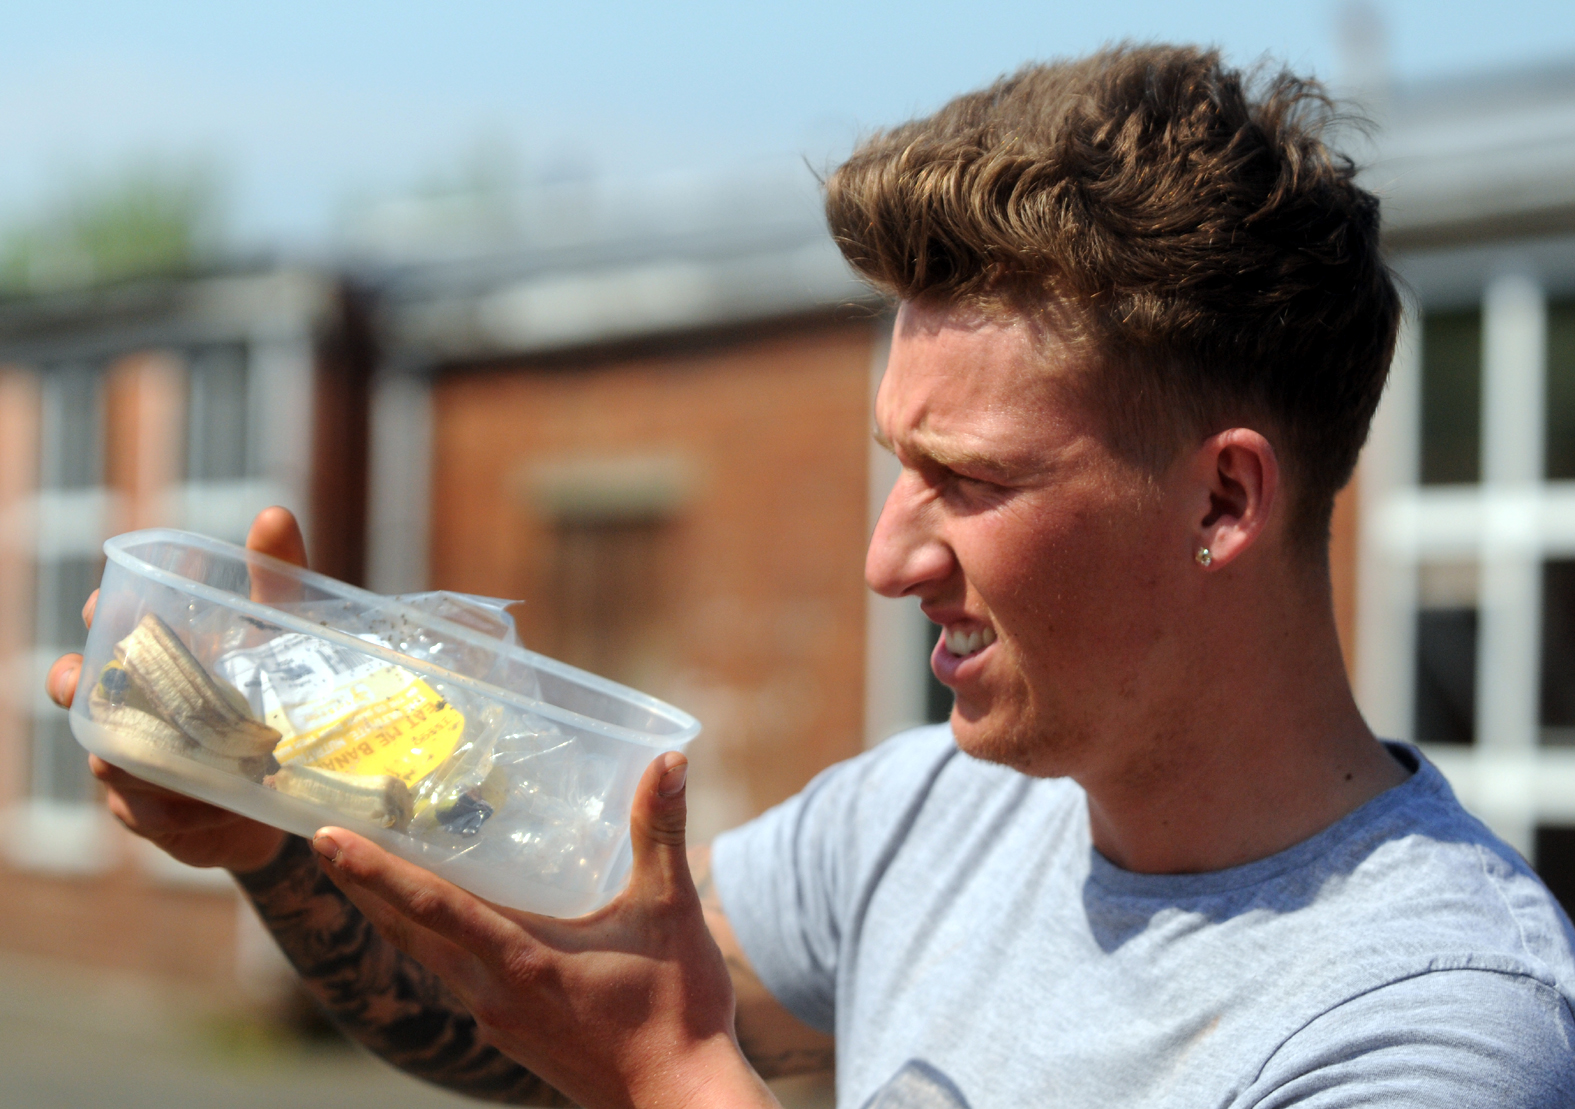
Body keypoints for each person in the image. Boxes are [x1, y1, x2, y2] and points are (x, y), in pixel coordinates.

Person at [48, 44, 1575, 1107]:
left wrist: (680, 1079)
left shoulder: (1434, 1023)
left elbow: (649, 1052)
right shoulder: (927, 819)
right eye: (893, 467)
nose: (888, 554)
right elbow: (526, 1023)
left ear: (1224, 500)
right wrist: (269, 813)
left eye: (966, 481)